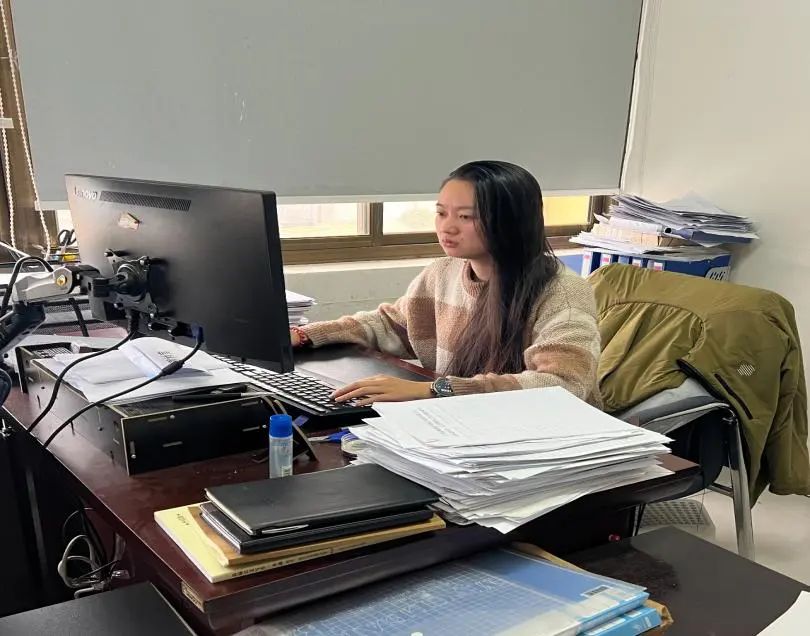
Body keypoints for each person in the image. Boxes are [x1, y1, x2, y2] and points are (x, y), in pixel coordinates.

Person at [290, 160, 601, 407]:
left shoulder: (563, 293)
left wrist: (435, 390)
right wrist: (304, 335)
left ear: (511, 222)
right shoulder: (442, 273)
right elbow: (389, 326)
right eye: (441, 213)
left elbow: (563, 384)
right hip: (460, 422)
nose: (447, 227)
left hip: (549, 437)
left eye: (466, 217)